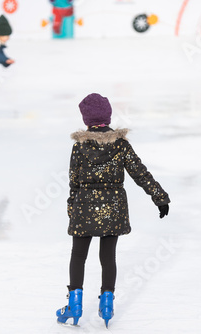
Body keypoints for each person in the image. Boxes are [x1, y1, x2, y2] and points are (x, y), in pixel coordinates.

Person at [56, 93, 170, 328]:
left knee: (78, 256)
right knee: (108, 257)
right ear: (107, 116)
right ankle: (107, 304)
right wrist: (159, 197)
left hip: (84, 206)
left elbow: (74, 181)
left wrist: (72, 209)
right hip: (113, 207)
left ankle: (74, 304)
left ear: (86, 119)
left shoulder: (80, 146)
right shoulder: (121, 145)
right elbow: (140, 173)